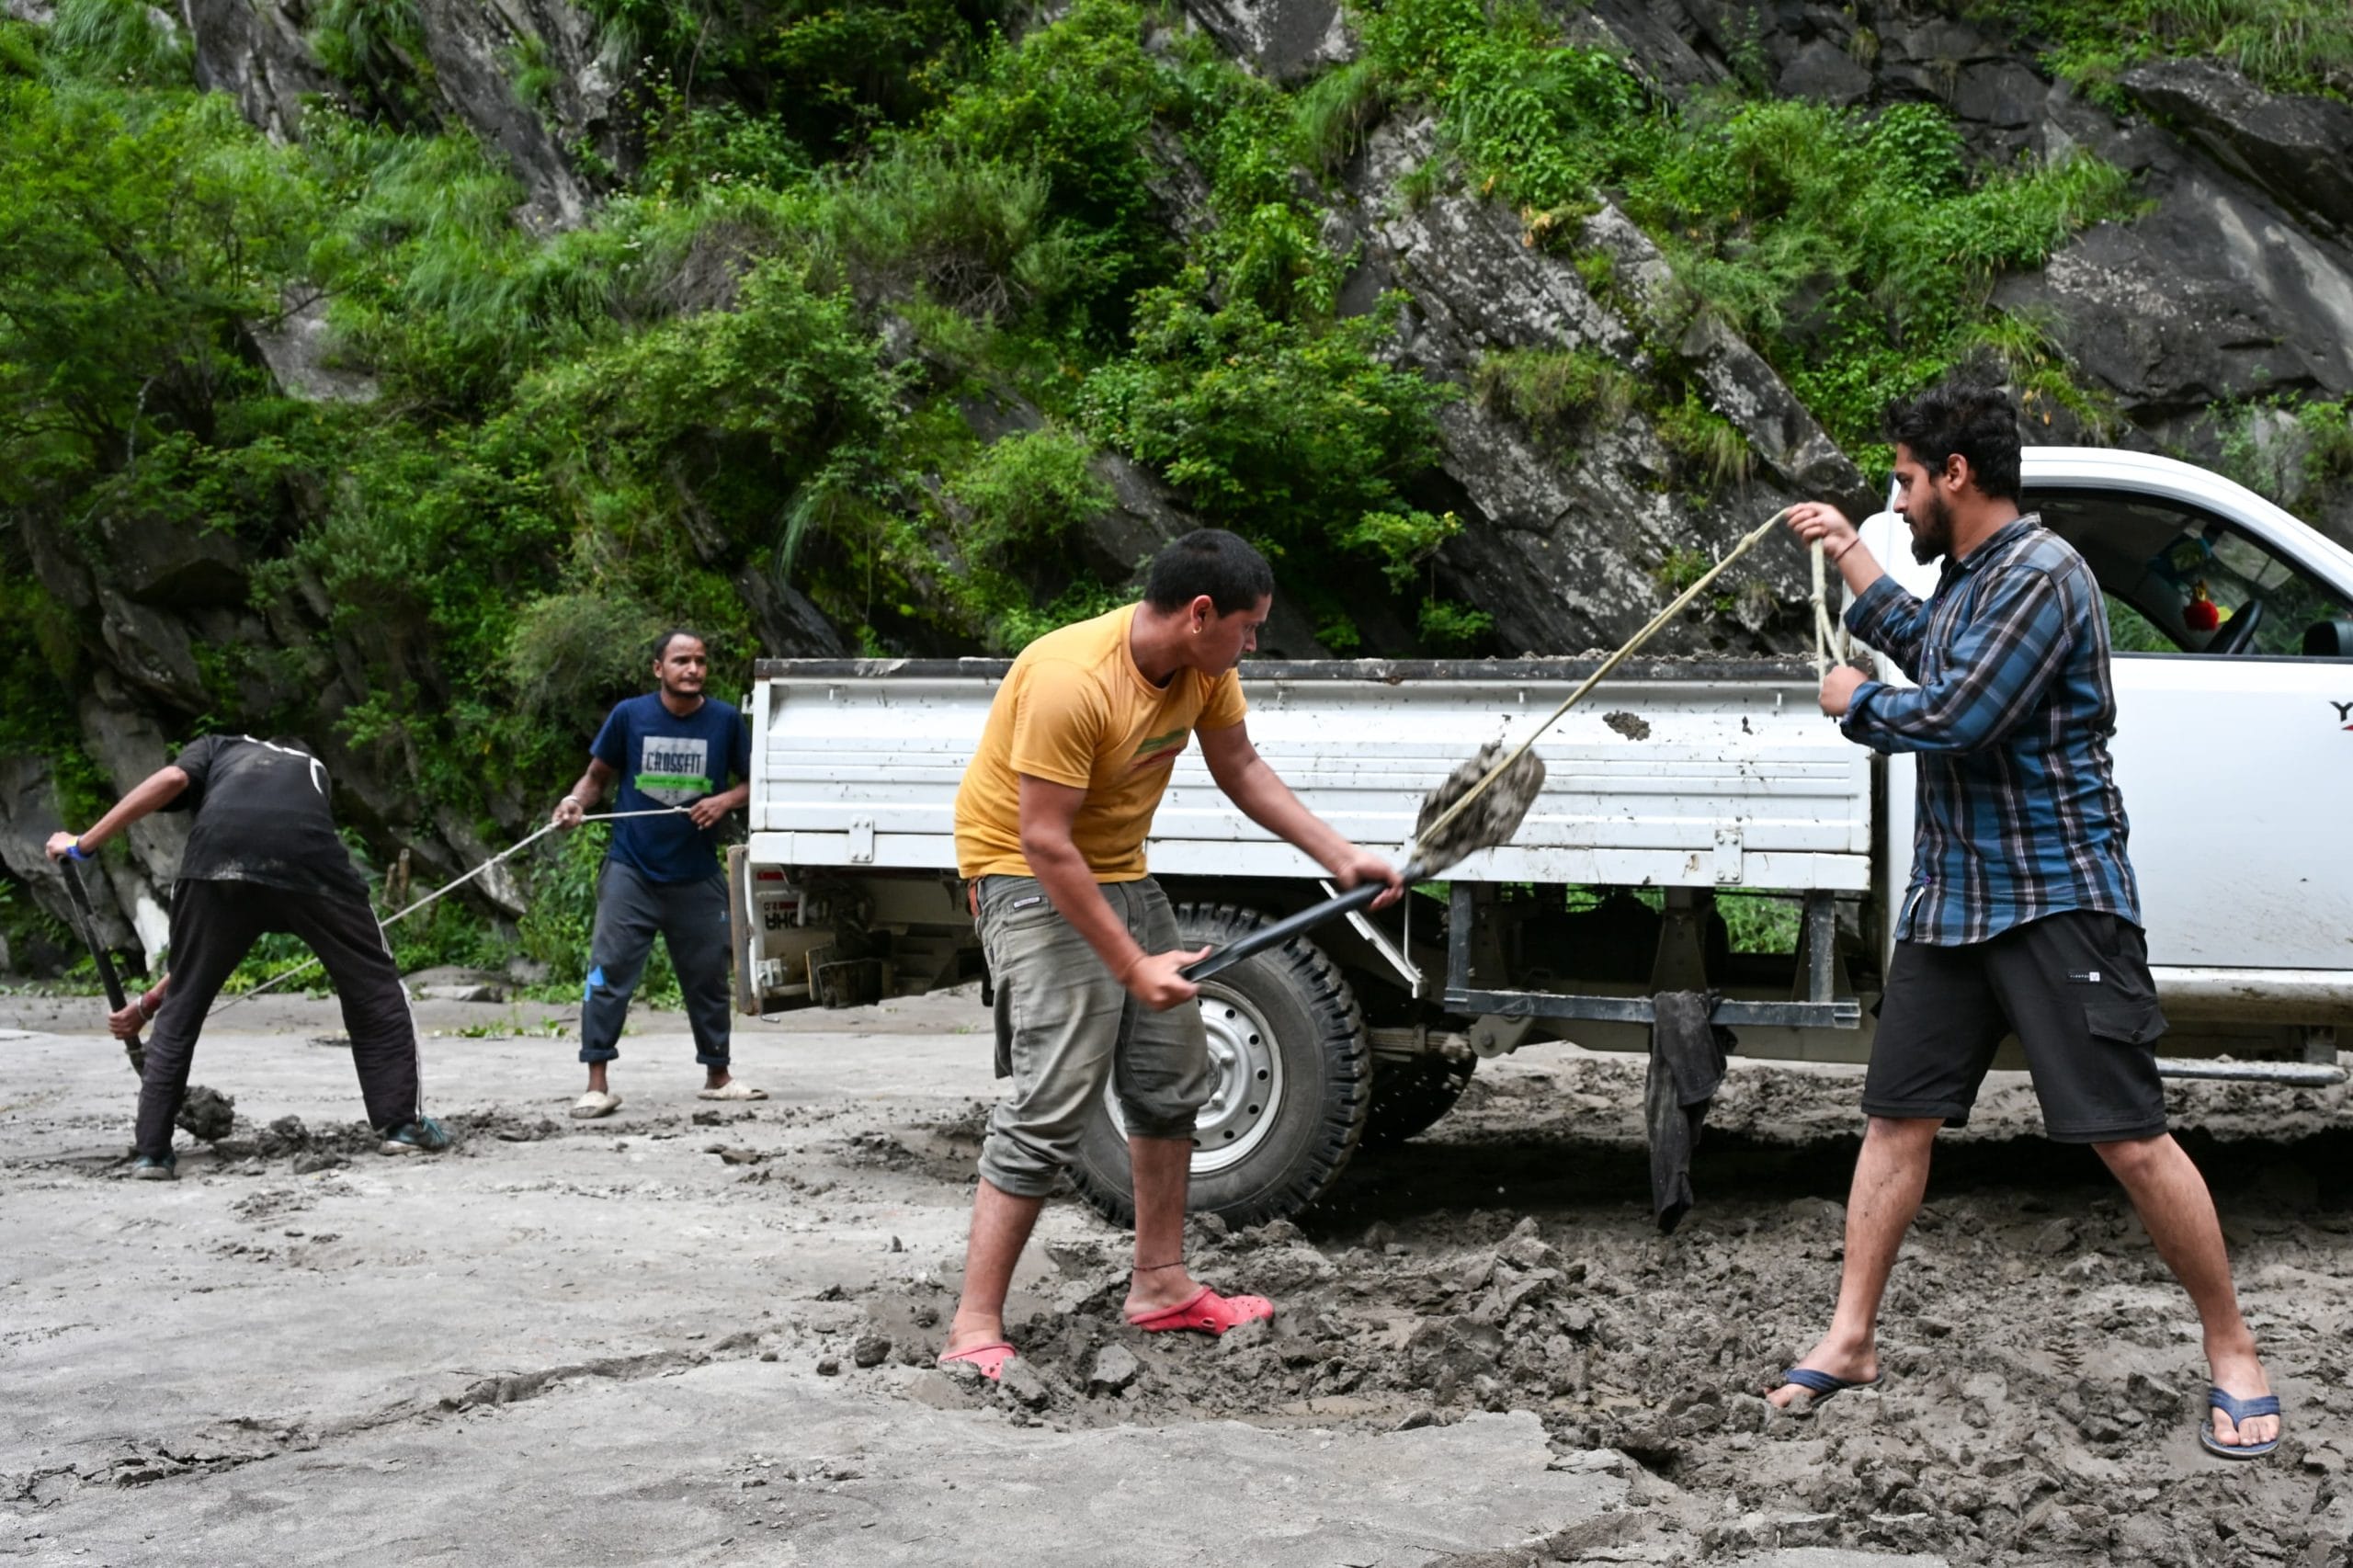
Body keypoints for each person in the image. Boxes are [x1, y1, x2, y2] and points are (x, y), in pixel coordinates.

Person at [1774, 381, 2280, 1459]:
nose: (1895, 498)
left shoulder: (2045, 577)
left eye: (1904, 479)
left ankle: (2234, 1350)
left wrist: (1849, 701)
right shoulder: (1967, 578)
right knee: (1895, 1120)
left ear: (1956, 474)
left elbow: (1959, 714)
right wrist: (1848, 556)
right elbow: (1929, 643)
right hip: (1954, 901)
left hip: (2056, 897)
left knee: (2131, 1136)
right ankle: (1851, 1336)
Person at [938, 528, 1404, 1381]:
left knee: (1170, 1077)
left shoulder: (1203, 669)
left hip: (1117, 869)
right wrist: (1129, 965)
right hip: (1024, 873)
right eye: (1249, 626)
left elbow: (1242, 767)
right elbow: (1043, 841)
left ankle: (1159, 1285)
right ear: (1200, 614)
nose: (1253, 643)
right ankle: (974, 1328)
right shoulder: (1069, 681)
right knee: (1053, 1101)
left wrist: (1340, 855)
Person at [45, 735, 446, 1179]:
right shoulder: (312, 771)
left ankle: (152, 1154)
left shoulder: (219, 747)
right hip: (311, 864)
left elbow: (175, 777)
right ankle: (401, 1126)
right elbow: (267, 853)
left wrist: (83, 843)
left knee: (183, 1010)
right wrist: (145, 1004)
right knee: (374, 990)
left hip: (215, 860)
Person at [551, 629, 760, 1119]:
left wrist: (725, 800)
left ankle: (718, 1075)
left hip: (695, 872)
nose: (693, 670)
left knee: (708, 976)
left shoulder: (725, 720)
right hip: (633, 870)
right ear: (658, 669)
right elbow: (597, 777)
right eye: (682, 660)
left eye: (700, 662)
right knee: (608, 973)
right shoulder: (630, 716)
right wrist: (574, 802)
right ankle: (597, 1084)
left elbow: (757, 782)